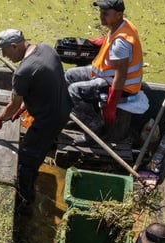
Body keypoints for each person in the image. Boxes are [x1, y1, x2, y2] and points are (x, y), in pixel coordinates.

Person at [0, 29, 72, 215]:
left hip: (48, 119)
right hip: (64, 109)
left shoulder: (22, 72)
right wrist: (25, 105)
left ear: (14, 46)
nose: (4, 56)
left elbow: (13, 104)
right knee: (40, 148)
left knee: (25, 158)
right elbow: (45, 83)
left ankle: (25, 201)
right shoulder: (47, 49)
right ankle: (35, 170)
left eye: (4, 51)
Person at [64, 0, 146, 142]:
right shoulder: (122, 24)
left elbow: (120, 76)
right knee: (69, 75)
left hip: (121, 86)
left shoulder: (121, 43)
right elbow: (112, 38)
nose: (102, 15)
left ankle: (95, 126)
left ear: (119, 15)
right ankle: (82, 116)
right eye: (101, 12)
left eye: (106, 13)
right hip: (106, 73)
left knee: (73, 91)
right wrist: (101, 41)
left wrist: (111, 105)